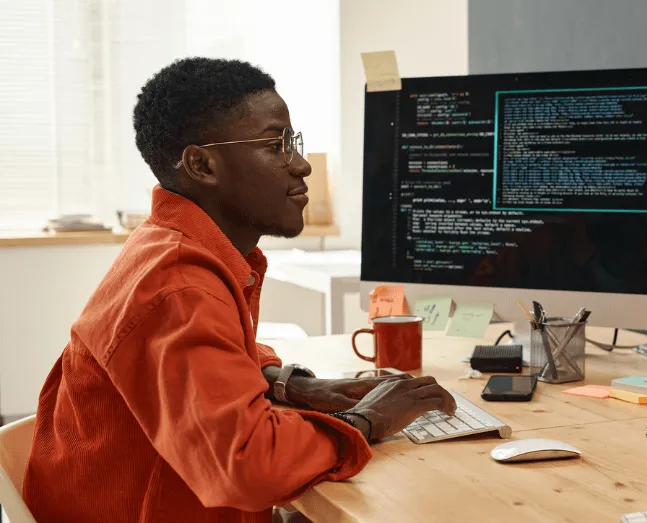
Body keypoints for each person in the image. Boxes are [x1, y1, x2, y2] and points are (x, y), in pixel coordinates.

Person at [21, 57, 456, 523]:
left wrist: (292, 384)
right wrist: (369, 420)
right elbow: (249, 466)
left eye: (294, 143)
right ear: (203, 165)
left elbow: (216, 356)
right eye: (276, 145)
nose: (302, 165)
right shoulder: (178, 286)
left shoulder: (172, 247)